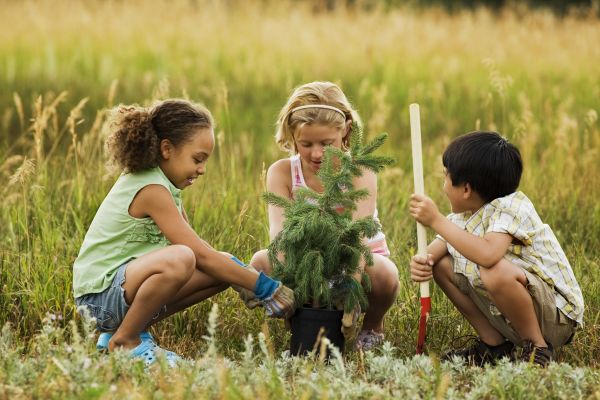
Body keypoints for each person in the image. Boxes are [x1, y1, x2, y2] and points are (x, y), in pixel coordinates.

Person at [73, 99, 295, 367]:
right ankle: (126, 340)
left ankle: (115, 334)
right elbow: (197, 254)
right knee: (182, 258)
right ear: (166, 149)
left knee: (217, 269)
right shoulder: (151, 189)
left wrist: (240, 276)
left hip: (118, 292)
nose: (202, 169)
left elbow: (207, 256)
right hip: (98, 298)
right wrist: (264, 286)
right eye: (197, 159)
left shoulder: (166, 187)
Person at [409, 131, 584, 367]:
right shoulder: (463, 217)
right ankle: (494, 346)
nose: (443, 187)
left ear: (466, 190)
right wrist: (422, 262)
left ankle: (538, 348)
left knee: (492, 270)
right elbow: (434, 252)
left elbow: (488, 255)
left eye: (445, 178)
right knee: (441, 265)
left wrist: (436, 219)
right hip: (514, 316)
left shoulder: (511, 207)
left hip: (556, 317)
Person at [249, 81, 400, 351]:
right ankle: (299, 318)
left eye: (327, 143)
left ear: (346, 132)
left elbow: (359, 235)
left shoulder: (360, 171)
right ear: (292, 136)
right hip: (304, 259)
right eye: (306, 144)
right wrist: (289, 278)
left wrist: (352, 290)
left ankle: (372, 325)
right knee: (260, 262)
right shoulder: (283, 172)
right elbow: (280, 234)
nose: (316, 153)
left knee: (386, 274)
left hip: (359, 262)